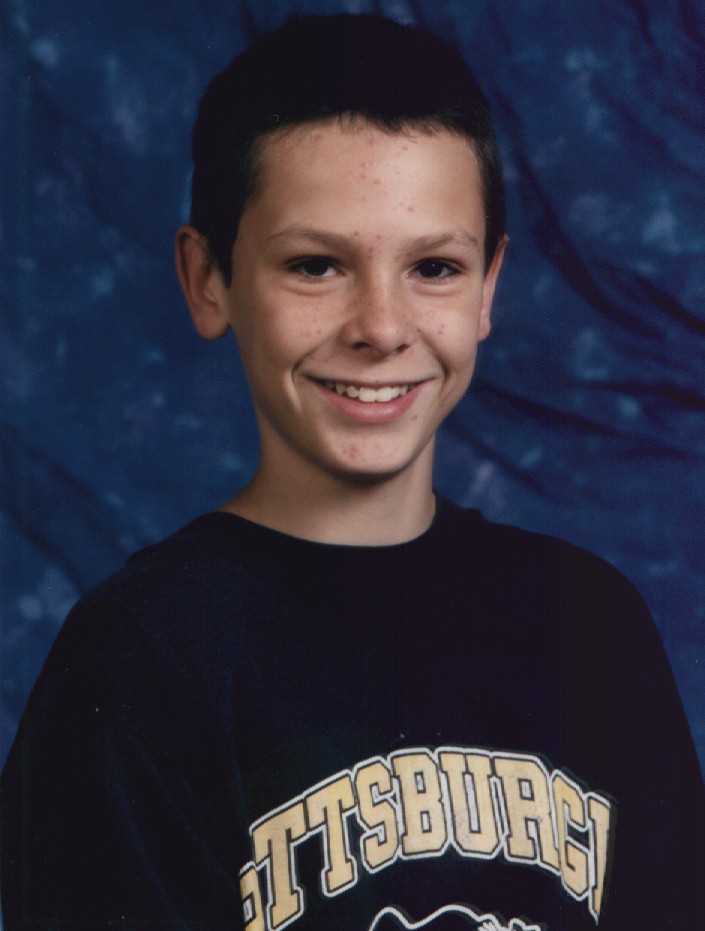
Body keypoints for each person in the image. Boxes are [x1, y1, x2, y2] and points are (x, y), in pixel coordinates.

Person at [1, 13, 702, 931]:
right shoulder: (139, 662)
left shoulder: (592, 624)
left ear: (487, 288)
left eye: (434, 267)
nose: (380, 326)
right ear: (208, 278)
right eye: (316, 264)